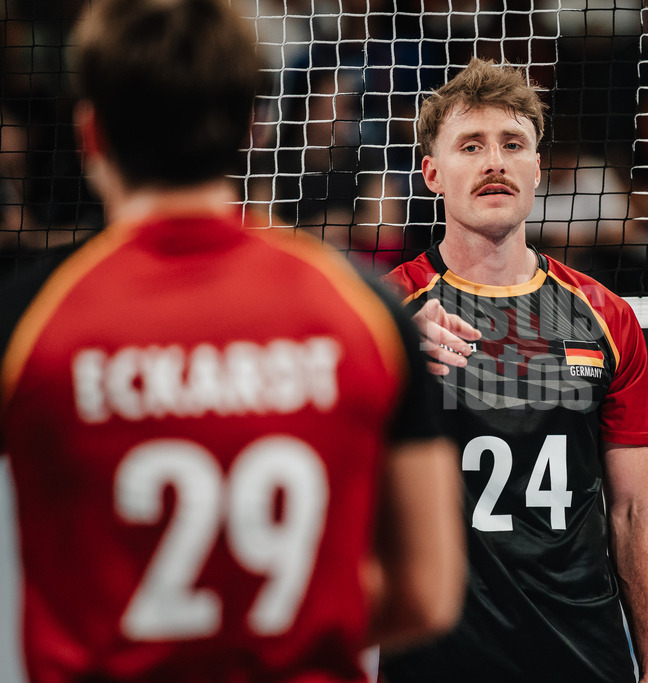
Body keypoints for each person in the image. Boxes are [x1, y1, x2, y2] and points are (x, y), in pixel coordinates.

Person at [0, 1, 465, 681]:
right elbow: (426, 591)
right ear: (253, 126)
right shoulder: (361, 308)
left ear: (90, 133)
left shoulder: (33, 317)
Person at [380, 58, 648, 683]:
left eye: (513, 144)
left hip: (581, 651)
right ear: (432, 173)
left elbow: (634, 510)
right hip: (437, 655)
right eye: (471, 145)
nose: (495, 162)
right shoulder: (384, 315)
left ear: (537, 168)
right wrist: (386, 350)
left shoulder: (604, 317)